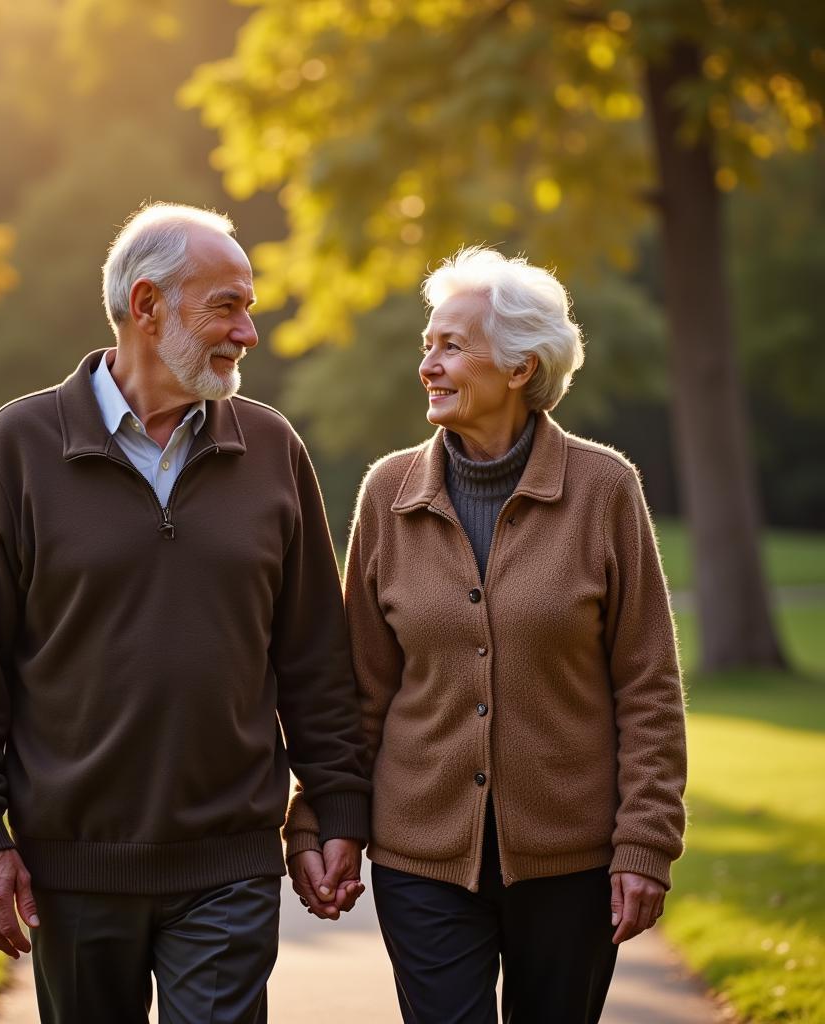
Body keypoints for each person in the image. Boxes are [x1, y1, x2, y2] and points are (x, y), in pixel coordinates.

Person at [0, 202, 370, 1024]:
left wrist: (336, 803)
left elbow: (313, 654)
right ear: (147, 305)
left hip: (230, 861)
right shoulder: (20, 444)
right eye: (227, 305)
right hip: (73, 867)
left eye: (250, 308)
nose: (248, 333)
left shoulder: (272, 450)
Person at [286, 246, 687, 1023]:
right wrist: (322, 817)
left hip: (572, 864)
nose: (429, 365)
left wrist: (646, 844)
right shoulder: (387, 493)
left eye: (451, 346)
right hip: (421, 859)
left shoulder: (606, 490)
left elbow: (648, 686)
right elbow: (357, 689)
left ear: (518, 368)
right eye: (427, 346)